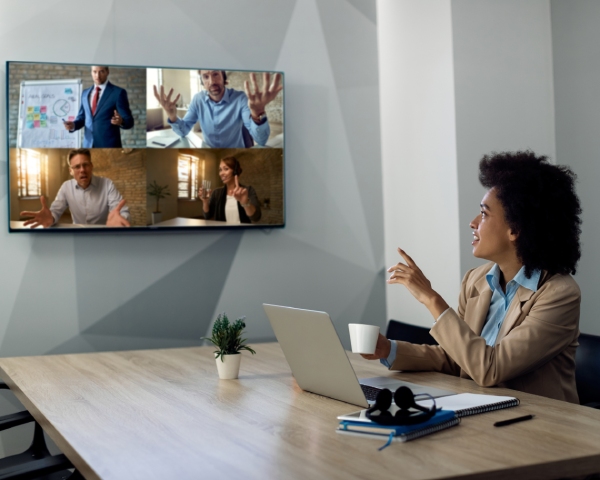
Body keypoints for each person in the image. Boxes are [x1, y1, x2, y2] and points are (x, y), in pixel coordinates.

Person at [364, 151, 582, 403]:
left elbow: (490, 368)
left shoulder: (559, 294)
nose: (473, 222)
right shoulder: (475, 280)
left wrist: (431, 299)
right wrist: (388, 349)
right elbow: (458, 358)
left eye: (484, 214)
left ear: (516, 229)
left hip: (539, 428)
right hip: (481, 412)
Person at [153, 70, 282, 148]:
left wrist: (257, 113)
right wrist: (172, 116)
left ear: (223, 77)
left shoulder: (240, 98)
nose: (212, 81)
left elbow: (261, 140)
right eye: (206, 77)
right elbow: (183, 131)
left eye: (216, 74)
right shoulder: (198, 99)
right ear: (202, 81)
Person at [20, 148, 130, 228]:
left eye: (85, 165)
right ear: (71, 171)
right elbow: (56, 210)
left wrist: (120, 219)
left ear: (91, 166)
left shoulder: (107, 184)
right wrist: (51, 218)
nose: (82, 170)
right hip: (77, 235)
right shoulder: (66, 187)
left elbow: (119, 210)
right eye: (77, 167)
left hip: (101, 234)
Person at [64, 66, 134, 148]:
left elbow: (129, 121)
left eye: (101, 71)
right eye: (94, 72)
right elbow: (82, 117)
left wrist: (121, 121)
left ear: (107, 72)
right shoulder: (85, 93)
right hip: (88, 145)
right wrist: (73, 125)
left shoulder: (118, 93)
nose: (97, 75)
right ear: (91, 72)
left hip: (109, 147)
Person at [199, 156, 261, 224]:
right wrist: (205, 202)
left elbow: (256, 217)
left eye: (226, 169)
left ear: (235, 171)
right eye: (220, 170)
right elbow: (207, 216)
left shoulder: (248, 190)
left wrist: (245, 203)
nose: (221, 173)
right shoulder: (216, 193)